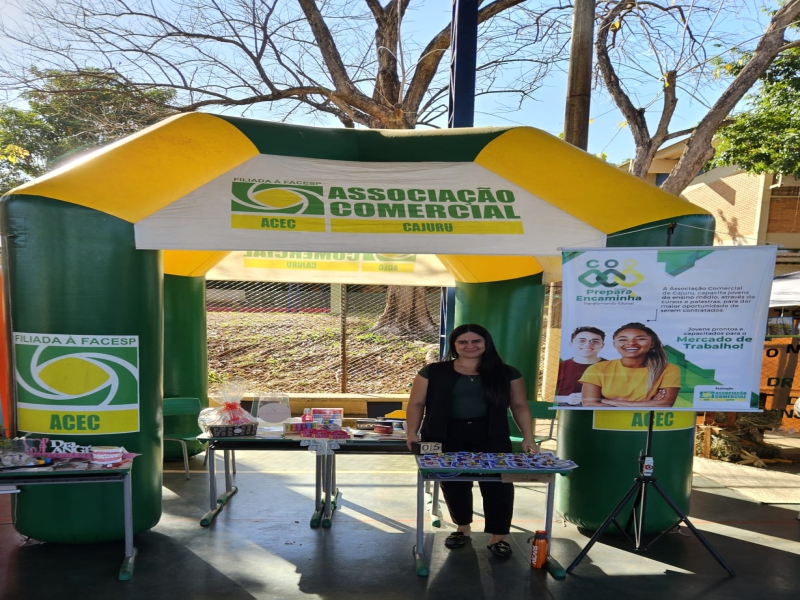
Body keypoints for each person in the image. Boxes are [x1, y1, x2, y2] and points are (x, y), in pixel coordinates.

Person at [405, 323, 537, 559]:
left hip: (491, 435)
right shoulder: (433, 371)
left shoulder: (507, 373)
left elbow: (519, 406)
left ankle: (499, 537)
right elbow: (416, 404)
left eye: (476, 341)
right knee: (454, 483)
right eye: (463, 342)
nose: (470, 346)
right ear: (454, 346)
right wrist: (412, 433)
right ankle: (462, 528)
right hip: (444, 434)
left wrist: (528, 437)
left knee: (499, 484)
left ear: (486, 343)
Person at [580, 322, 680, 407]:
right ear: (614, 344)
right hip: (605, 421)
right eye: (623, 339)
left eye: (640, 339)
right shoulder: (597, 368)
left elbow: (665, 404)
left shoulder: (668, 369)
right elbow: (589, 404)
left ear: (652, 344)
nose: (631, 343)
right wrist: (646, 403)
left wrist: (609, 401)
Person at [556, 326, 606, 403]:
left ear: (602, 345)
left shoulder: (613, 367)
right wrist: (566, 399)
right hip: (568, 413)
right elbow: (544, 396)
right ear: (571, 344)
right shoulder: (558, 368)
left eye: (595, 341)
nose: (588, 344)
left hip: (605, 412)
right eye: (582, 341)